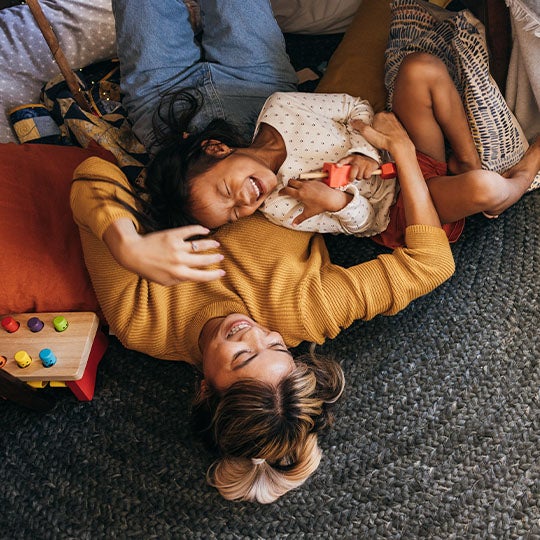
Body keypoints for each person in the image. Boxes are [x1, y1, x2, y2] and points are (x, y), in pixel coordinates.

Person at [71, 110, 456, 503]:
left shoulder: (143, 322)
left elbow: (92, 173)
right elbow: (432, 264)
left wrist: (127, 246)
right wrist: (403, 150)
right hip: (319, 124)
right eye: (275, 347)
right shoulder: (305, 310)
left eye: (241, 356)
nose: (253, 331)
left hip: (202, 142)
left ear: (205, 390)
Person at [142, 51, 540, 249]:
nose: (245, 203)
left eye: (227, 192)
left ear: (216, 148)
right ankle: (518, 179)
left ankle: (465, 159)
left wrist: (366, 150)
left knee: (420, 68)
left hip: (407, 154)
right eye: (234, 214)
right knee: (485, 189)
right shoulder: (282, 205)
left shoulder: (283, 106)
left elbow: (356, 108)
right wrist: (336, 201)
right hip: (403, 206)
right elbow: (366, 223)